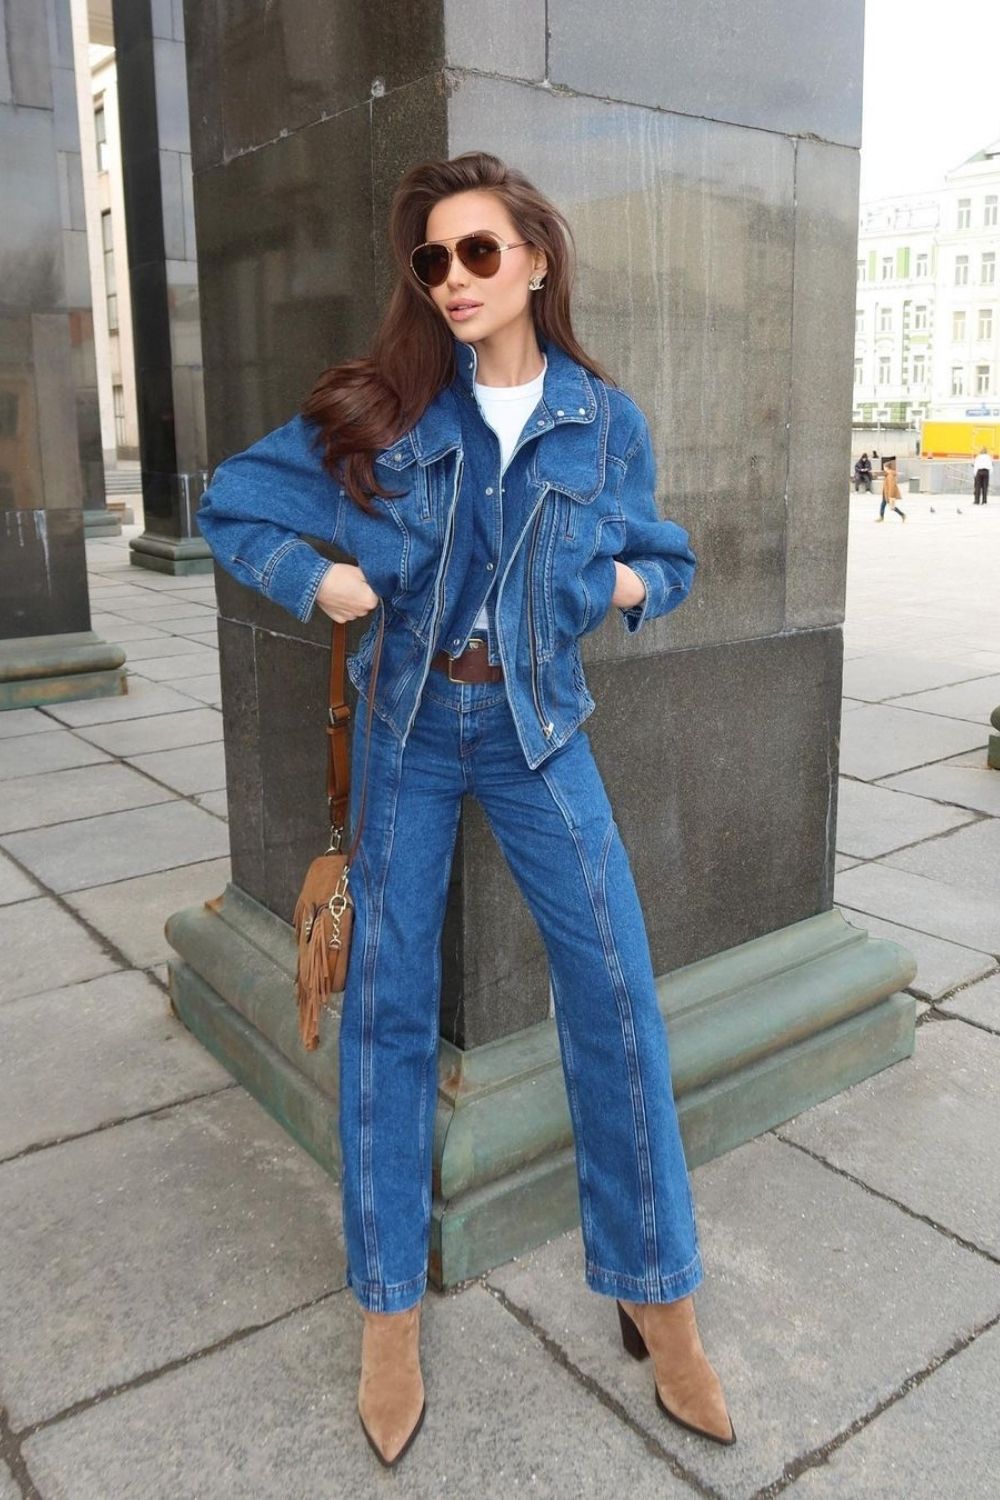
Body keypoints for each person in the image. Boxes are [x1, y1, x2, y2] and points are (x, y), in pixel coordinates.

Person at [195, 151, 735, 1468]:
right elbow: (230, 504)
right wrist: (316, 582)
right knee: (384, 1007)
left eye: (477, 253)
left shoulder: (603, 421)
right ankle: (389, 1311)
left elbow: (668, 559)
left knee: (613, 991)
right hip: (410, 730)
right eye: (432, 261)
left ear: (537, 260)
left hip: (543, 733)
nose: (452, 281)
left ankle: (657, 1295)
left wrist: (619, 586)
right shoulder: (385, 415)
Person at [875, 457, 906, 522]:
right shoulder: (887, 474)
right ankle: (881, 517)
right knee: (883, 504)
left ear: (887, 467)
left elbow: (891, 486)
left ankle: (902, 514)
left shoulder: (890, 475)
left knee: (892, 507)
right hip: (885, 493)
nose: (884, 468)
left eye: (884, 467)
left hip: (888, 494)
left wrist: (890, 496)